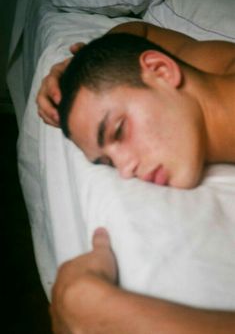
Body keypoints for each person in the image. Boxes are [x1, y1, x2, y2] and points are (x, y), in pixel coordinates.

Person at [36, 22, 235, 333]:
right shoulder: (214, 63)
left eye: (118, 130)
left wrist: (115, 316)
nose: (126, 169)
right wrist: (83, 66)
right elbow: (140, 32)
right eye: (108, 163)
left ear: (161, 70)